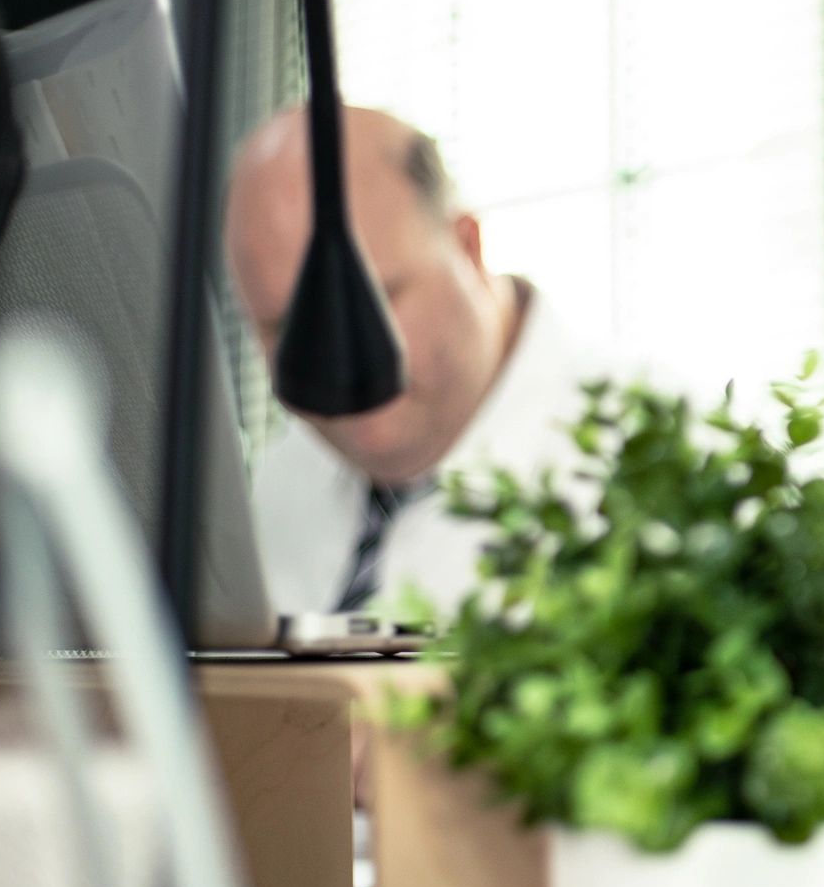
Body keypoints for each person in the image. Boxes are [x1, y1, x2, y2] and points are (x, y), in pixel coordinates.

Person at [226, 104, 592, 617]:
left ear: (468, 247)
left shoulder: (639, 471)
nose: (338, 367)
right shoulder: (276, 486)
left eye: (374, 300)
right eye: (286, 329)